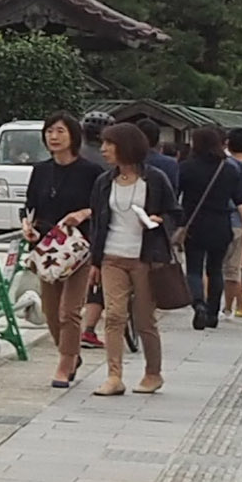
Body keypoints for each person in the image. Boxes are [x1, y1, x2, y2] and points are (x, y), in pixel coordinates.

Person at [90, 118, 181, 397]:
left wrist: (158, 220)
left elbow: (176, 214)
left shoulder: (154, 179)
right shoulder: (104, 182)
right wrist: (95, 261)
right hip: (111, 256)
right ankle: (114, 375)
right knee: (114, 316)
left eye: (109, 144)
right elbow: (97, 222)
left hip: (145, 257)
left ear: (126, 147)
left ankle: (153, 373)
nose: (103, 149)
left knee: (144, 320)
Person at [19, 113, 103, 388]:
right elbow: (30, 205)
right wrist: (27, 226)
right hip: (47, 248)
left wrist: (82, 213)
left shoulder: (91, 171)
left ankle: (66, 363)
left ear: (73, 136)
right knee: (51, 311)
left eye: (60, 131)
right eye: (49, 131)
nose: (53, 137)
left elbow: (103, 207)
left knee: (70, 311)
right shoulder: (40, 170)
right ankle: (70, 353)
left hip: (79, 248)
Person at [174, 125, 242, 331]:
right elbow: (240, 200)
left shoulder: (186, 167)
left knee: (194, 268)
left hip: (194, 224)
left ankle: (198, 304)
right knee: (215, 270)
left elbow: (176, 196)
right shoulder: (229, 169)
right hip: (221, 224)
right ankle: (213, 313)